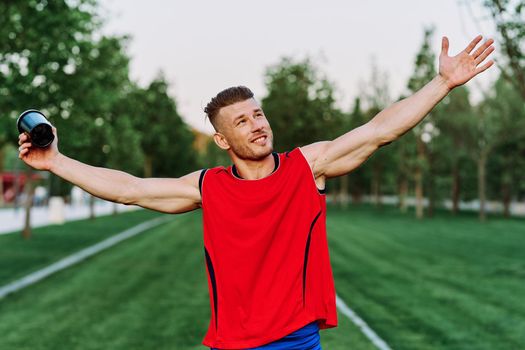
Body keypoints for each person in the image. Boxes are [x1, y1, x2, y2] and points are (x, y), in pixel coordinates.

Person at [17, 35, 494, 349]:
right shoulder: (207, 187)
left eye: (258, 114)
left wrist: (443, 82)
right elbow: (129, 189)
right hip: (232, 344)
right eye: (242, 121)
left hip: (296, 341)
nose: (257, 125)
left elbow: (378, 130)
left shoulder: (307, 167)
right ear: (223, 140)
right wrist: (56, 160)